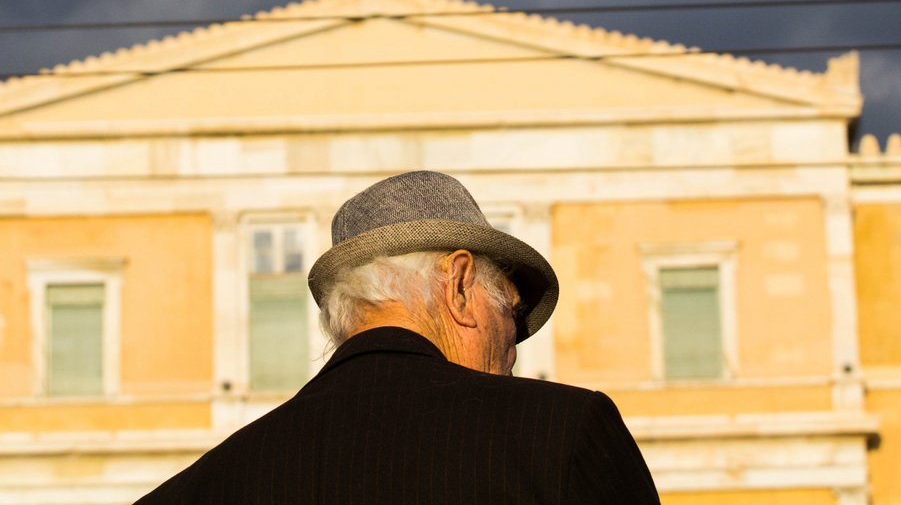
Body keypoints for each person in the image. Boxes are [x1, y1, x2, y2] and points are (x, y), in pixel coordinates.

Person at [136, 170, 659, 504]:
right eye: (511, 314)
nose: (514, 347)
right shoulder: (562, 434)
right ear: (458, 285)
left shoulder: (200, 487)